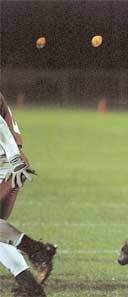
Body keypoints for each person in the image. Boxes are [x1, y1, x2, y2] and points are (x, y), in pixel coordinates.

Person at [0, 92, 56, 297]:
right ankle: (29, 286)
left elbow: (0, 126)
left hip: (7, 163)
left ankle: (36, 250)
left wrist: (14, 161)